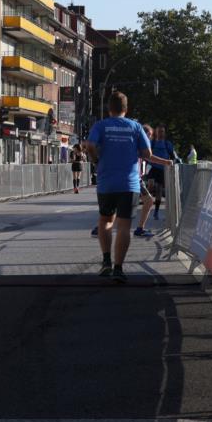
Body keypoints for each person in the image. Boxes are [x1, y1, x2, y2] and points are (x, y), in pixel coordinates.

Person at [83, 92, 173, 283]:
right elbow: (147, 153)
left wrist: (96, 160)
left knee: (105, 221)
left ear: (109, 108)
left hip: (106, 183)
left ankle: (106, 261)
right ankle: (118, 268)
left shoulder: (101, 125)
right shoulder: (135, 127)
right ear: (126, 108)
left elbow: (89, 145)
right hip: (129, 184)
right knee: (124, 226)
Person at [148, 125, 180, 220]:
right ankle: (148, 199)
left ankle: (156, 212)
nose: (161, 133)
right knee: (150, 185)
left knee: (159, 190)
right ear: (156, 132)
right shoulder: (152, 143)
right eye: (159, 131)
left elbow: (173, 156)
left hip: (163, 169)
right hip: (153, 168)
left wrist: (174, 162)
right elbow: (146, 154)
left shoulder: (167, 144)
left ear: (164, 133)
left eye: (162, 131)